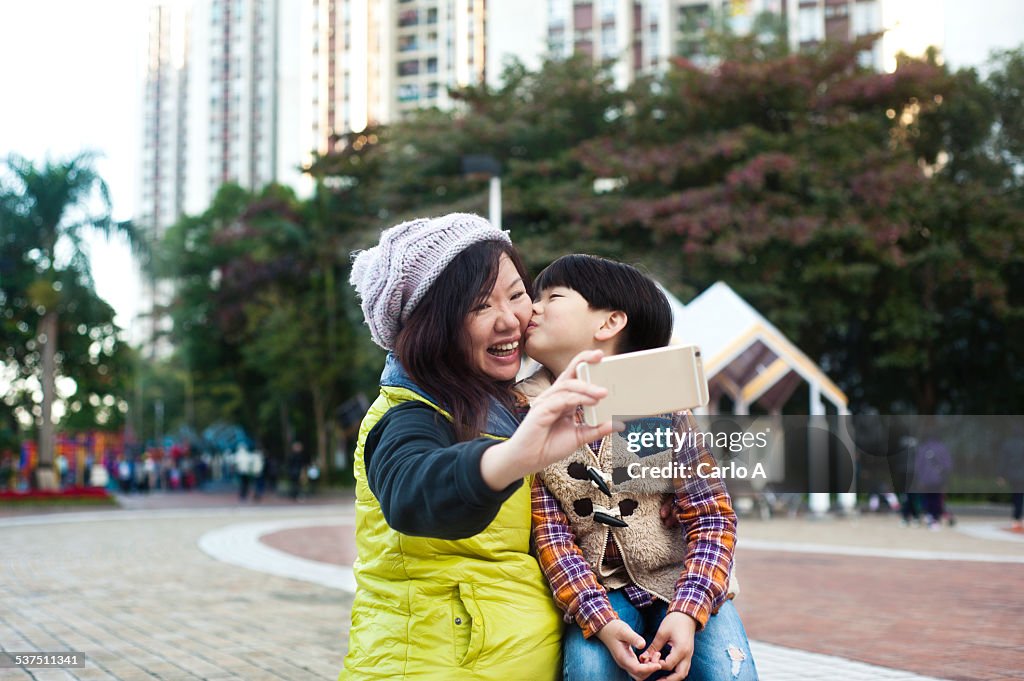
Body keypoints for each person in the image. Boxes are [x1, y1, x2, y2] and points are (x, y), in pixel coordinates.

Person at [341, 214, 617, 679]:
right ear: (431, 325)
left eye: (516, 294)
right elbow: (413, 494)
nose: (510, 319)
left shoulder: (512, 403)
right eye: (479, 307)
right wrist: (511, 459)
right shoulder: (407, 414)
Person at [519, 254, 757, 681]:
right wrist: (599, 618)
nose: (531, 307)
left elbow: (712, 516)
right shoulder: (524, 414)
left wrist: (688, 610)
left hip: (682, 580)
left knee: (728, 671)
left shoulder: (663, 403)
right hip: (597, 590)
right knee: (590, 670)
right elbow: (550, 536)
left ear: (609, 323)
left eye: (551, 297)